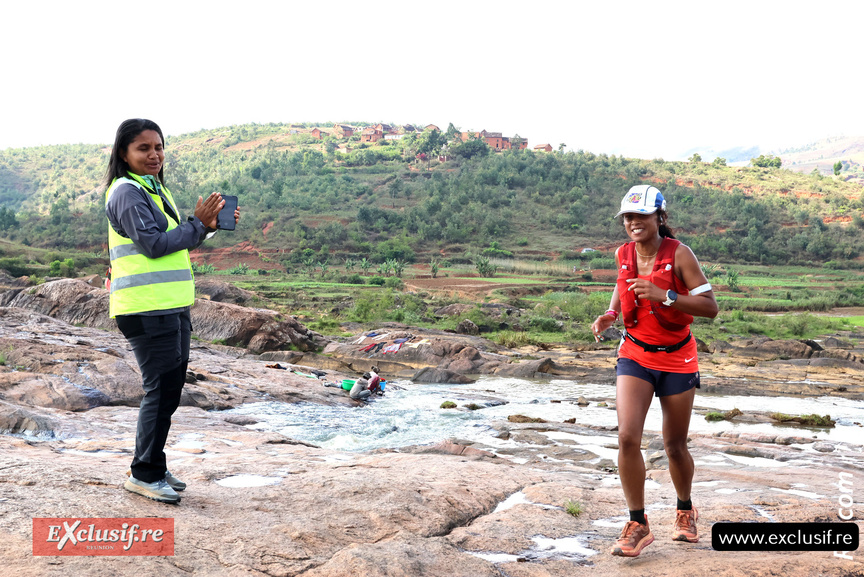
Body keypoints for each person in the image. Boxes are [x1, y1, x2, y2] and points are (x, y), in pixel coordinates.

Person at [104, 119, 239, 504]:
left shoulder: (153, 187)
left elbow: (176, 238)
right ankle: (143, 473)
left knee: (170, 390)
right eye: (143, 148)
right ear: (123, 154)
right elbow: (153, 244)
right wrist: (196, 224)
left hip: (171, 305)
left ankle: (154, 464)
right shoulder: (127, 192)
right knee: (160, 389)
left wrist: (206, 227)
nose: (154, 154)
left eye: (158, 147)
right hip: (146, 309)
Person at [591, 185, 718, 557]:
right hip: (634, 353)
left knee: (674, 446)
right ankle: (637, 523)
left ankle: (684, 510)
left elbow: (710, 307)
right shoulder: (623, 253)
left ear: (659, 217)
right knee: (628, 438)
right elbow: (622, 284)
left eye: (641, 216)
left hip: (677, 357)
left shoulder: (680, 254)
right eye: (628, 217)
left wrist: (667, 296)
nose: (633, 223)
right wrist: (611, 313)